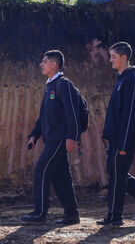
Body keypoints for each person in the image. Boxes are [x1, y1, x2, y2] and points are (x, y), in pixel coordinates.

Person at [97, 42, 135, 226]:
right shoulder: (121, 78)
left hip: (125, 139)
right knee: (116, 172)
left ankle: (114, 217)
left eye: (113, 56)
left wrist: (123, 143)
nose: (110, 60)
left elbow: (130, 113)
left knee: (117, 175)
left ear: (124, 57)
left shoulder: (132, 79)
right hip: (117, 137)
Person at [20, 50, 81, 225]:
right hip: (51, 138)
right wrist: (34, 135)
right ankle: (72, 215)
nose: (41, 64)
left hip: (60, 139)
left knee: (41, 169)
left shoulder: (64, 84)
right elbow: (43, 116)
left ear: (54, 64)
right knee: (61, 177)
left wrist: (72, 136)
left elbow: (73, 112)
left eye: (45, 61)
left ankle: (39, 214)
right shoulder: (50, 86)